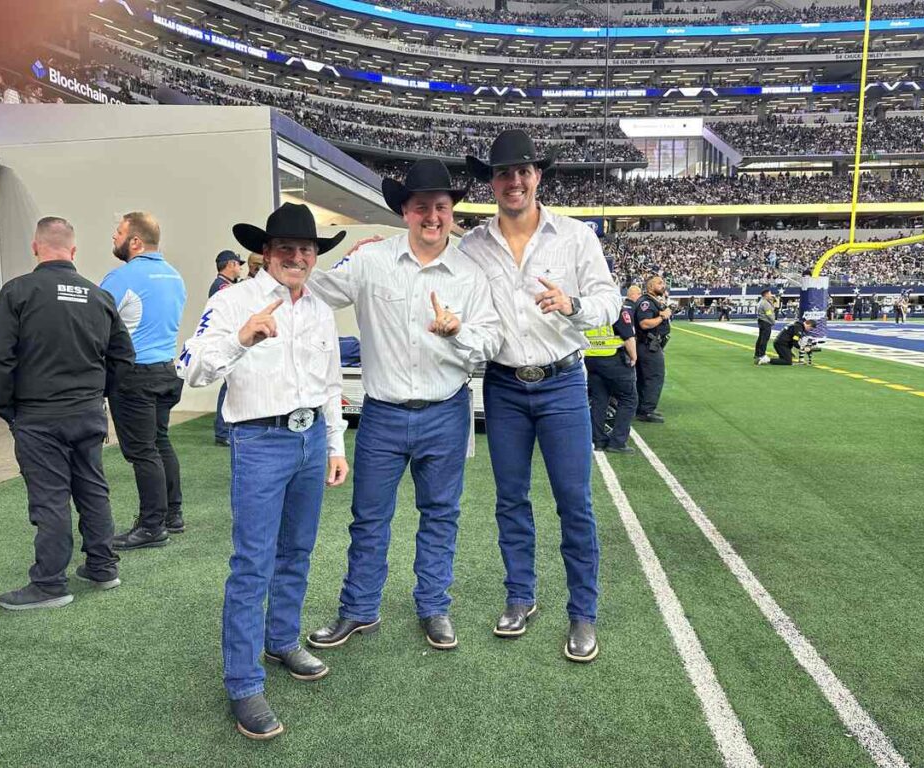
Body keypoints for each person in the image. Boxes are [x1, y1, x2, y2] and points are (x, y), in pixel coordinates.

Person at [306, 160, 502, 652]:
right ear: (405, 212)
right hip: (384, 413)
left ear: (451, 212)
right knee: (369, 517)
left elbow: (491, 339)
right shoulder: (369, 261)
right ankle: (358, 609)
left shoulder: (470, 271)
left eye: (441, 207)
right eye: (421, 208)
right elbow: (315, 287)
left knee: (440, 515)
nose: (432, 217)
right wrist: (294, 260)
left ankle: (434, 607)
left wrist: (458, 333)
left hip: (446, 409)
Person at [178, 202, 349, 741]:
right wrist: (241, 339)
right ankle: (243, 682)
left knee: (297, 552)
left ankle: (282, 640)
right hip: (258, 441)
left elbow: (327, 385)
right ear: (266, 253)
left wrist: (334, 445)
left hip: (306, 443)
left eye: (306, 249)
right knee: (252, 564)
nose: (297, 257)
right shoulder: (233, 302)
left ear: (314, 256)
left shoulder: (319, 308)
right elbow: (189, 366)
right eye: (287, 249)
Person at [458, 130, 620, 663]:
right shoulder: (474, 245)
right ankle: (520, 596)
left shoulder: (575, 237)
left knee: (575, 502)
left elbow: (609, 302)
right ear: (492, 181)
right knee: (511, 500)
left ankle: (583, 613)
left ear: (538, 177)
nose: (514, 180)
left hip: (564, 383)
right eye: (504, 172)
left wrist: (572, 303)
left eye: (523, 170)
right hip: (503, 385)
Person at [0, 217, 135, 610]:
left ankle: (49, 584)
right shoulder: (99, 297)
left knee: (50, 499)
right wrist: (98, 397)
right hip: (86, 412)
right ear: (74, 250)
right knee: (92, 489)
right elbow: (123, 359)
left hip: (38, 415)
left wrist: (6, 408)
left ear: (36, 247)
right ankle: (102, 568)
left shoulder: (18, 292)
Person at [100, 212, 187, 549]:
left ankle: (152, 526)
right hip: (166, 371)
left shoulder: (121, 277)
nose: (113, 237)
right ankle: (172, 514)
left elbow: (96, 322)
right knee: (159, 441)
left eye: (118, 232)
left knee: (142, 452)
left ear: (135, 241)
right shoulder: (174, 276)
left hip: (134, 376)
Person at [584, 300, 638, 455]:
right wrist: (634, 357)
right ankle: (617, 441)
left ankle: (598, 440)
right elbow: (628, 336)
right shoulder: (616, 309)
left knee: (599, 400)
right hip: (613, 358)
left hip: (591, 359)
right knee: (629, 398)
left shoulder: (589, 307)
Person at [209, 250, 244, 446]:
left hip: (230, 340)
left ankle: (225, 429)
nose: (240, 268)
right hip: (227, 341)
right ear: (230, 264)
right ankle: (222, 431)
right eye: (238, 264)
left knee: (231, 383)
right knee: (229, 383)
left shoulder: (227, 286)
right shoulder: (222, 287)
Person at [634, 275, 671, 424]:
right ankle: (647, 410)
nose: (663, 285)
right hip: (649, 346)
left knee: (645, 378)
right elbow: (645, 323)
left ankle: (642, 407)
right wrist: (662, 317)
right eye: (659, 283)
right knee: (654, 377)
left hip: (649, 345)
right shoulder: (646, 303)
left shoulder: (653, 301)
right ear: (650, 287)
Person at [754, 288, 777, 363]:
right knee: (764, 339)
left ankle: (757, 354)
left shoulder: (762, 301)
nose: (771, 295)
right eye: (770, 293)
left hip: (762, 321)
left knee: (761, 338)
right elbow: (769, 314)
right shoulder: (765, 303)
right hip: (765, 322)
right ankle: (762, 355)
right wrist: (773, 321)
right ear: (766, 294)